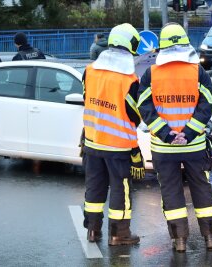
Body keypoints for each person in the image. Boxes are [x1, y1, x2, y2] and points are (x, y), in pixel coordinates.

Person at [137, 23, 212, 252]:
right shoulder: (197, 71)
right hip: (193, 145)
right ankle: (211, 236)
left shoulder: (151, 74)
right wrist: (189, 133)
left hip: (164, 149)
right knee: (201, 189)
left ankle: (180, 241)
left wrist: (166, 134)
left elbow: (144, 106)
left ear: (161, 47)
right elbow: (208, 104)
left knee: (171, 193)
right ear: (185, 43)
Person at [82, 23, 145, 246]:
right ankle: (119, 234)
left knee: (94, 188)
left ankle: (92, 231)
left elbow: (86, 100)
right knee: (120, 189)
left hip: (92, 141)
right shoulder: (129, 80)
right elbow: (135, 114)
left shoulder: (90, 70)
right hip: (118, 146)